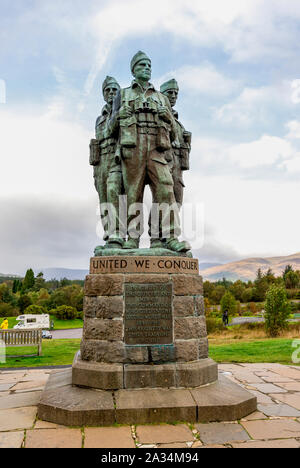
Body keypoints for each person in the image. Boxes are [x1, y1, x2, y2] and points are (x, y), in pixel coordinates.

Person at [110, 51, 191, 253]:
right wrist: (119, 116)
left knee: (166, 188)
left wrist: (169, 118)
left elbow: (175, 135)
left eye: (149, 66)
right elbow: (110, 129)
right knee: (133, 193)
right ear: (133, 70)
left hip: (157, 148)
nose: (146, 68)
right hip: (133, 147)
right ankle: (132, 238)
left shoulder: (161, 97)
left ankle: (170, 236)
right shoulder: (123, 94)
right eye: (141, 66)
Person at [90, 76, 125, 251]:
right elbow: (103, 133)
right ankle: (110, 235)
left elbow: (114, 132)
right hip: (100, 160)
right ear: (104, 95)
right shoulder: (100, 118)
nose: (111, 93)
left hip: (117, 157)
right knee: (103, 199)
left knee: (114, 192)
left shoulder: (124, 110)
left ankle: (118, 233)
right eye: (107, 90)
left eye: (114, 90)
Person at [160, 78, 192, 208]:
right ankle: (155, 227)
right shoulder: (159, 115)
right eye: (170, 93)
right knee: (163, 198)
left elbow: (185, 150)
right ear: (162, 95)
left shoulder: (179, 124)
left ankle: (168, 227)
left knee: (177, 200)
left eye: (175, 93)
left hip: (178, 169)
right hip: (164, 162)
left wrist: (188, 142)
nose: (173, 96)